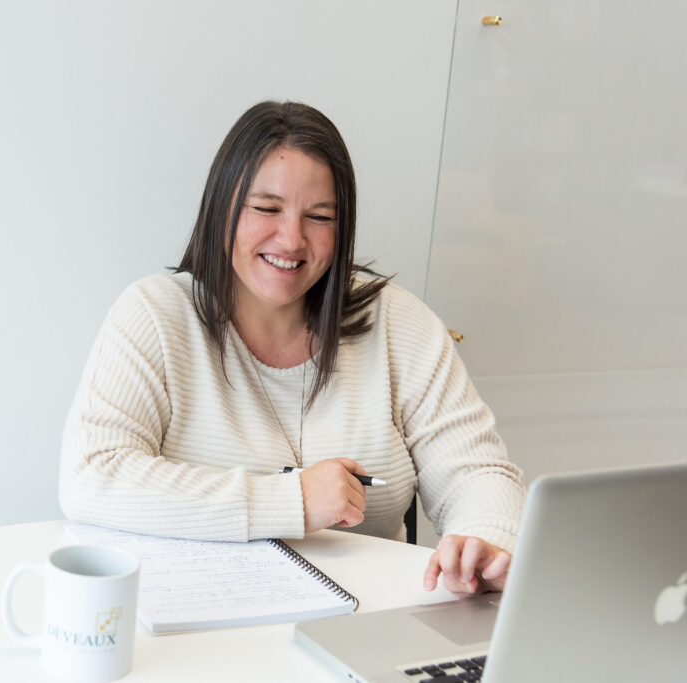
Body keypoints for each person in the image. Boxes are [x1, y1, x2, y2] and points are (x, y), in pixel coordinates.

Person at [59, 101, 524, 597]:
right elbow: (93, 477)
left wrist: (486, 539)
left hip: (369, 625)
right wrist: (294, 500)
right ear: (222, 209)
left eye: (319, 216)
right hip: (201, 619)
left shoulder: (398, 323)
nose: (292, 239)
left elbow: (477, 472)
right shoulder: (153, 315)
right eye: (266, 208)